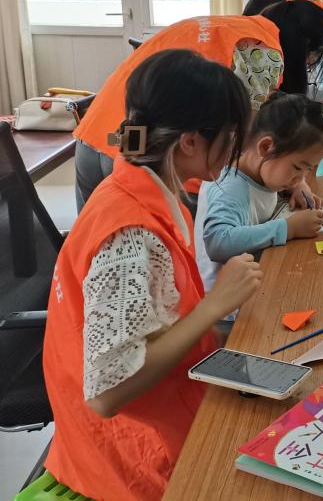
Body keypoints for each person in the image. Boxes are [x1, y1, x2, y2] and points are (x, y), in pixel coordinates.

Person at [43, 50, 263, 501]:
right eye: (231, 137)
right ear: (190, 142)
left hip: (164, 408)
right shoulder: (129, 234)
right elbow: (108, 394)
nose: (236, 149)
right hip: (132, 458)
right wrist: (215, 306)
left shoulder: (137, 189)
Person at [73, 0, 323, 210]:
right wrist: (292, 175)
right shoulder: (264, 51)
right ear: (305, 48)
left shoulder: (236, 26)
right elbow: (246, 138)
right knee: (169, 238)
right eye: (312, 58)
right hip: (147, 153)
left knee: (100, 243)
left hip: (102, 136)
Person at [195, 92, 323, 302]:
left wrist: (298, 184)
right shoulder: (230, 187)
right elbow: (218, 242)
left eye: (308, 169)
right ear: (266, 147)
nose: (300, 176)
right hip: (226, 307)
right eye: (297, 167)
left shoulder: (261, 170)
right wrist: (289, 228)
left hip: (253, 282)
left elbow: (270, 180)